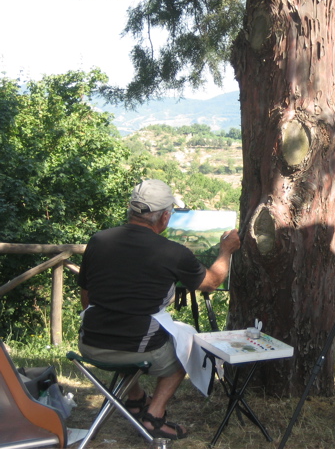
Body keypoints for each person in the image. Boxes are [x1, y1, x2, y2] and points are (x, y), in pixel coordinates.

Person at [78, 179, 241, 440]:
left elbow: (86, 294)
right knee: (187, 348)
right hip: (136, 346)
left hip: (90, 342)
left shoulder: (99, 241)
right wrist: (226, 251)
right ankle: (154, 416)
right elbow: (211, 282)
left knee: (129, 333)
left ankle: (135, 399)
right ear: (165, 217)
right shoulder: (173, 252)